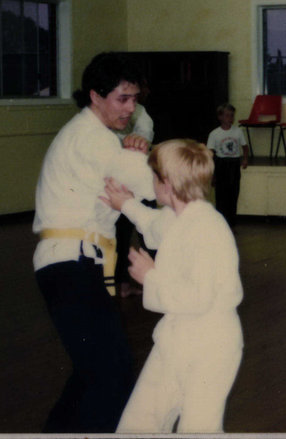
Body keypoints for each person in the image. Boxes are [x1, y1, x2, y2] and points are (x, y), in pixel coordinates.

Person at [32, 52, 155, 433]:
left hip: (75, 262)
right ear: (96, 96)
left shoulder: (98, 137)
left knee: (94, 371)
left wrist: (136, 150)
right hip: (71, 263)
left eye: (135, 99)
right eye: (123, 99)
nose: (131, 108)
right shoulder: (93, 139)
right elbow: (154, 187)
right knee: (110, 372)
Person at [101, 139, 244, 434]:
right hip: (177, 338)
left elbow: (199, 298)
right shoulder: (182, 216)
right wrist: (125, 203)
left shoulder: (208, 228)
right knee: (138, 423)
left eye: (153, 177)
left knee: (198, 429)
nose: (151, 183)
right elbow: (154, 225)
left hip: (212, 346)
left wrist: (150, 277)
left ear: (166, 184)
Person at [114, 100, 155, 296]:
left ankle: (153, 280)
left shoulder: (140, 111)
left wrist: (133, 141)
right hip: (122, 185)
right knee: (121, 236)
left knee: (149, 234)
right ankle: (123, 283)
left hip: (141, 184)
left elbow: (145, 137)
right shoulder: (104, 120)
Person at [206, 103, 250, 228]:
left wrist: (245, 159)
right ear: (220, 117)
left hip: (234, 164)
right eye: (227, 115)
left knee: (233, 194)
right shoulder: (214, 134)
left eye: (232, 115)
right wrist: (211, 172)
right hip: (221, 164)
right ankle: (221, 224)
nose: (230, 118)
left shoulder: (238, 131)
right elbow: (210, 154)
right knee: (221, 196)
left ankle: (231, 224)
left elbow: (245, 147)